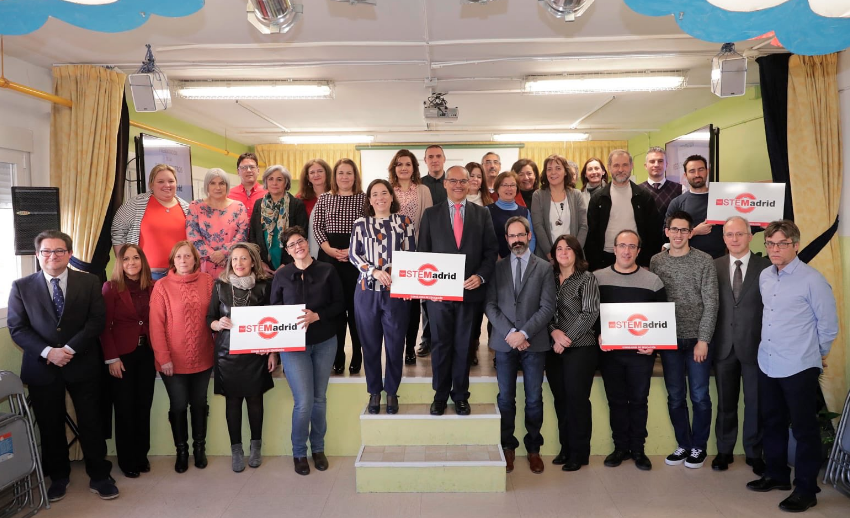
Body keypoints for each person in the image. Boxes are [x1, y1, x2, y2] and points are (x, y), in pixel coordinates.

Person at [8, 230, 118, 501]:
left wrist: (68, 350)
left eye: (59, 251)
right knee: (50, 424)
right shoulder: (21, 286)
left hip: (82, 363)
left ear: (69, 254)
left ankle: (99, 475)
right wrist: (49, 352)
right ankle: (58, 476)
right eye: (46, 251)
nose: (52, 256)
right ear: (37, 254)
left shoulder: (89, 281)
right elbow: (17, 328)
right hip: (42, 366)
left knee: (92, 421)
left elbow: (97, 321)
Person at [746, 220, 838, 513]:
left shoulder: (813, 280)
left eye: (782, 244)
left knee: (804, 428)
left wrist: (815, 354)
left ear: (795, 246)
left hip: (799, 365)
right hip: (768, 361)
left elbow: (828, 325)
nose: (775, 249)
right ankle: (776, 475)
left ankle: (806, 489)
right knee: (772, 421)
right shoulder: (765, 276)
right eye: (770, 244)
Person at [418, 165, 498, 416]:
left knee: (464, 346)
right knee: (440, 345)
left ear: (470, 183)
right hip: (438, 295)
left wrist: (481, 276)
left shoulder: (482, 214)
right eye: (453, 180)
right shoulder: (431, 214)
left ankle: (461, 395)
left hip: (470, 293)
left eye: (463, 181)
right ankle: (440, 395)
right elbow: (423, 254)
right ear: (445, 183)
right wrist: (426, 287)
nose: (458, 185)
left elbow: (490, 252)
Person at [271, 226, 345, 475]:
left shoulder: (327, 270)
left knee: (319, 399)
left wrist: (318, 315)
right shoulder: (282, 275)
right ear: (287, 250)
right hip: (294, 347)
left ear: (307, 242)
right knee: (303, 402)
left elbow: (340, 304)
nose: (298, 246)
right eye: (292, 244)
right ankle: (299, 452)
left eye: (300, 241)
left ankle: (318, 448)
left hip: (325, 342)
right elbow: (274, 310)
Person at [485, 216, 556, 474]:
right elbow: (490, 305)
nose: (516, 240)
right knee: (506, 399)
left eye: (520, 235)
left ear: (529, 236)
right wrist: (511, 333)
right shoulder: (497, 268)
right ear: (506, 239)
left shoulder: (544, 268)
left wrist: (524, 333)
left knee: (534, 399)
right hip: (504, 343)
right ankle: (508, 446)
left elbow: (547, 307)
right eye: (512, 236)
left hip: (534, 343)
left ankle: (534, 448)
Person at [650, 211, 719, 469]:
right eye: (674, 229)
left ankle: (699, 446)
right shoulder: (656, 261)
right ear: (666, 232)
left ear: (691, 233)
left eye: (683, 230)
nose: (678, 234)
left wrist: (704, 340)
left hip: (697, 340)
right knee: (676, 396)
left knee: (699, 395)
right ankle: (684, 444)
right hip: (669, 340)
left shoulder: (704, 261)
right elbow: (652, 301)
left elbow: (711, 303)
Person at [595, 230, 666, 471]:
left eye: (632, 246)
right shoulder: (597, 279)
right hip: (610, 354)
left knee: (638, 401)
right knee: (615, 401)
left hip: (641, 355)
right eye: (622, 246)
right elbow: (590, 315)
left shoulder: (653, 281)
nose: (627, 251)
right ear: (614, 249)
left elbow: (661, 319)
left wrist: (654, 344)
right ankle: (620, 448)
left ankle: (638, 449)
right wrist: (598, 334)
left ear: (638, 251)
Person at [207, 242, 276, 472]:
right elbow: (209, 319)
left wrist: (272, 352)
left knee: (256, 400)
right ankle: (236, 451)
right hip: (227, 354)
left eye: (244, 258)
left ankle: (256, 447)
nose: (239, 263)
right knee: (233, 402)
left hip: (256, 354)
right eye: (234, 259)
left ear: (253, 262)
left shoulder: (265, 286)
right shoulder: (220, 286)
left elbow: (273, 322)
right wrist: (218, 324)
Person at [350, 179, 416, 414]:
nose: (380, 198)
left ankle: (391, 391)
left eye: (384, 193)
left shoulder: (404, 222)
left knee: (395, 344)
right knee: (370, 345)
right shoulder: (360, 224)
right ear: (369, 200)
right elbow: (354, 255)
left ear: (391, 196)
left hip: (396, 293)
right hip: (366, 292)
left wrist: (401, 279)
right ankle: (374, 392)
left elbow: (411, 255)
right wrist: (373, 271)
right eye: (375, 194)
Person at [149, 241, 215, 474]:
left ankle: (199, 448)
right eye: (179, 256)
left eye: (188, 256)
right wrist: (163, 357)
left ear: (195, 259)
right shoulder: (162, 286)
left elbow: (215, 314)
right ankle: (182, 451)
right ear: (173, 261)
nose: (183, 260)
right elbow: (156, 326)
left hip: (203, 357)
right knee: (178, 405)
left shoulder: (208, 282)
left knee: (199, 404)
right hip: (172, 361)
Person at [711, 216, 770, 474]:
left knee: (755, 403)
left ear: (750, 236)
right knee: (725, 402)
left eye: (739, 234)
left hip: (756, 346)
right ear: (724, 238)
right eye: (729, 234)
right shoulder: (713, 266)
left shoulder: (766, 267)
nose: (734, 239)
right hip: (723, 346)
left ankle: (754, 453)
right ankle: (724, 451)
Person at [100, 244, 155, 479]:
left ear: (142, 261)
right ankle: (127, 460)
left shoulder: (153, 286)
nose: (131, 262)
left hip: (147, 354)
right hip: (121, 357)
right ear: (120, 264)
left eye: (135, 258)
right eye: (126, 259)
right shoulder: (111, 288)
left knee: (143, 406)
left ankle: (142, 455)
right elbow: (104, 327)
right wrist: (111, 358)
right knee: (124, 408)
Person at [547, 234, 600, 472]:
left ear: (577, 252)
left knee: (577, 400)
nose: (563, 252)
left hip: (581, 347)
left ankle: (579, 453)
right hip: (554, 347)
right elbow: (544, 310)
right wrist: (554, 332)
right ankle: (566, 448)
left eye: (568, 248)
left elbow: (590, 313)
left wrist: (565, 339)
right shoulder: (549, 279)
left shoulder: (587, 279)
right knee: (561, 400)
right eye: (559, 248)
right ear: (553, 253)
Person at [312, 158, 367, 374]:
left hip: (356, 259)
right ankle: (338, 354)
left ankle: (357, 353)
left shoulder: (364, 199)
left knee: (355, 310)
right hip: (329, 259)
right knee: (335, 309)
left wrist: (352, 250)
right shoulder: (325, 198)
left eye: (349, 173)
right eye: (340, 173)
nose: (345, 177)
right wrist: (328, 249)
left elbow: (368, 229)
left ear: (355, 176)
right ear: (334, 176)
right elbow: (317, 227)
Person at [387, 150, 432, 366]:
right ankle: (395, 346)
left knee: (413, 305)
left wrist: (420, 250)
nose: (403, 168)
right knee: (394, 305)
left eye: (407, 164)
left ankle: (410, 348)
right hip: (391, 255)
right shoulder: (387, 189)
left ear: (414, 168)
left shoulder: (423, 190)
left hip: (415, 254)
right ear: (393, 168)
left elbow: (428, 222)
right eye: (399, 164)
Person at [111, 163, 191, 280]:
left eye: (171, 181)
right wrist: (125, 262)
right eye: (160, 181)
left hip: (179, 274)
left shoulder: (187, 208)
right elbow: (118, 230)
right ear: (151, 185)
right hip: (146, 275)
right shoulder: (136, 204)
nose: (167, 185)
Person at [585, 150, 660, 270]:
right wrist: (595, 265)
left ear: (631, 166)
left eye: (625, 165)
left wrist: (646, 263)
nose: (620, 169)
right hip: (606, 259)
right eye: (616, 165)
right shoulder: (598, 199)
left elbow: (653, 233)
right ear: (609, 167)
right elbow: (591, 236)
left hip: (636, 258)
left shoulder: (644, 197)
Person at [186, 168, 249, 279]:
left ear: (227, 186)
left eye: (221, 183)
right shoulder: (195, 206)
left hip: (232, 264)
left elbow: (242, 235)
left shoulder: (239, 207)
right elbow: (193, 236)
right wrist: (212, 255)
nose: (218, 187)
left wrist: (224, 253)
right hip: (204, 265)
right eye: (213, 183)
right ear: (207, 186)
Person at [248, 165, 308, 275]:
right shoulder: (258, 204)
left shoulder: (296, 204)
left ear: (286, 183)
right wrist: (259, 261)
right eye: (270, 179)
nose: (274, 183)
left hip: (291, 264)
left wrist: (287, 264)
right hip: (263, 266)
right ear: (266, 182)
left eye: (279, 179)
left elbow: (302, 235)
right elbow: (252, 234)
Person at [418, 144, 448, 359]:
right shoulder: (419, 185)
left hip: (452, 247)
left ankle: (449, 339)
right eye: (431, 157)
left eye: (438, 156)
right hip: (428, 245)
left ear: (444, 159)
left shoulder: (453, 182)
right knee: (427, 296)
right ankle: (427, 339)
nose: (435, 159)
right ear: (425, 160)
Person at [665, 155, 725, 258]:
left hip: (719, 259)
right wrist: (695, 231)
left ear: (707, 171)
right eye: (692, 171)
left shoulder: (722, 199)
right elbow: (666, 233)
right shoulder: (677, 203)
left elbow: (741, 226)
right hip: (686, 261)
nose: (697, 174)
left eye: (701, 170)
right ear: (685, 175)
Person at [531, 154, 588, 261]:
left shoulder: (576, 195)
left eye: (558, 168)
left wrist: (574, 252)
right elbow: (538, 226)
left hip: (573, 258)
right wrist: (550, 255)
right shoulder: (538, 195)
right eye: (549, 169)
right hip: (546, 258)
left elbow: (583, 226)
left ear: (565, 172)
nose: (553, 172)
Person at [487, 171, 536, 259]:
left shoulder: (525, 211)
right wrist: (498, 260)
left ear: (517, 188)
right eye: (505, 185)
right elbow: (485, 240)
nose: (509, 188)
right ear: (497, 188)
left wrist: (526, 258)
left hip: (523, 260)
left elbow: (531, 238)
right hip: (496, 261)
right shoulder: (487, 210)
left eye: (512, 185)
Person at [297, 158, 332, 258]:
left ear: (327, 173)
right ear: (308, 177)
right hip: (308, 250)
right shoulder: (300, 199)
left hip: (333, 247)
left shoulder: (337, 196)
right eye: (312, 172)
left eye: (320, 171)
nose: (316, 175)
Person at [639, 146, 683, 217]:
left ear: (666, 165)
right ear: (645, 166)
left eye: (660, 161)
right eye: (652, 161)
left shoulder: (680, 189)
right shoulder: (636, 190)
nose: (656, 165)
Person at [228, 152, 267, 219]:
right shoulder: (229, 195)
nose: (248, 170)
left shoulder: (267, 193)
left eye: (252, 167)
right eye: (244, 167)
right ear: (238, 171)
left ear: (258, 170)